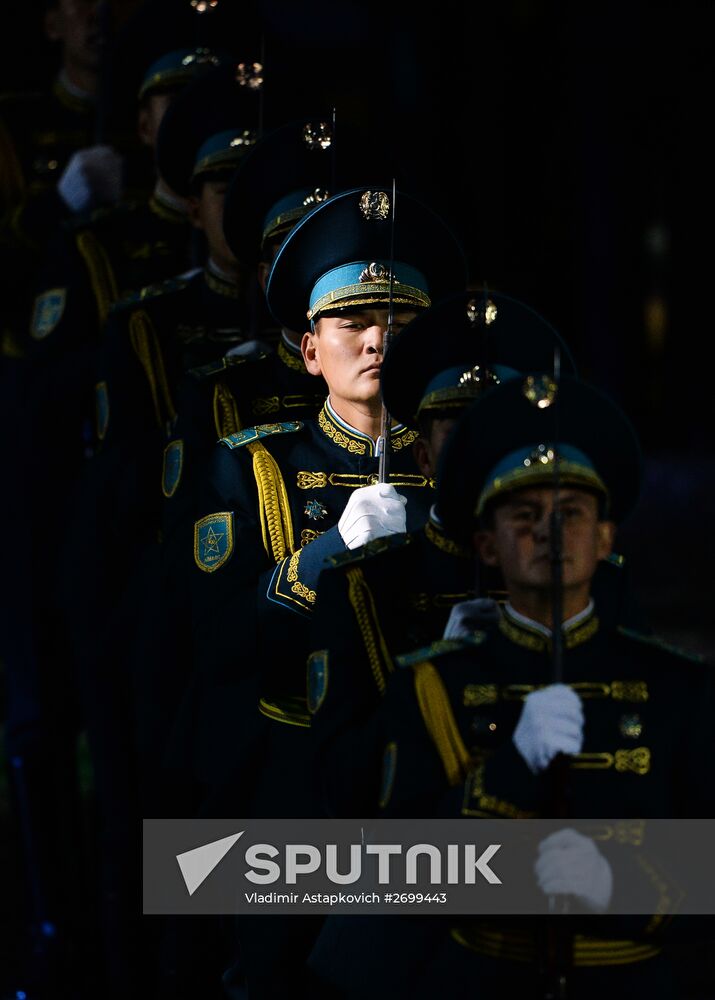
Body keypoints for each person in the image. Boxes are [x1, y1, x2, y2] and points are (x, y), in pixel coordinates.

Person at [308, 372, 715, 999]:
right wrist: (510, 770)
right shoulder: (432, 684)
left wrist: (618, 884)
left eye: (572, 514)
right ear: (487, 546)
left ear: (606, 540)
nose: (551, 534)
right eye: (526, 516)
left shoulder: (680, 686)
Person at [189, 183, 468, 997]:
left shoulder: (462, 465)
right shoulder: (254, 466)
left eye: (403, 324)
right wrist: (324, 553)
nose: (379, 340)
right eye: (353, 323)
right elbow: (219, 641)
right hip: (295, 781)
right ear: (310, 349)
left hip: (433, 781)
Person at [307, 289, 577, 819]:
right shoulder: (360, 585)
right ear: (425, 457)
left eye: (507, 435)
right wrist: (437, 686)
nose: (487, 455)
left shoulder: (589, 577)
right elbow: (343, 779)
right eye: (464, 436)